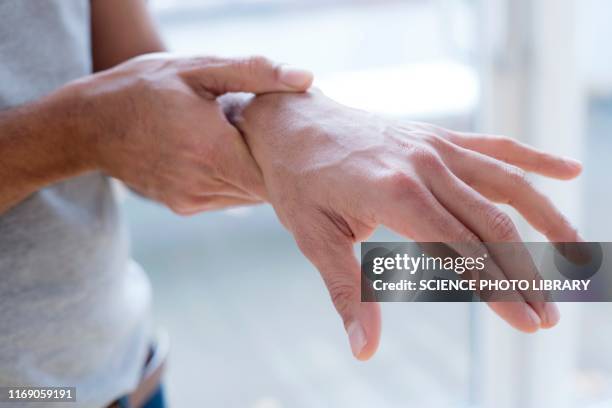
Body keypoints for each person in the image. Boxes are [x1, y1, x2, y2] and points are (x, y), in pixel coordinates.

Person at [0, 0, 584, 407]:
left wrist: (275, 118)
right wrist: (81, 132)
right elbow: (107, 117)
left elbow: (130, 70)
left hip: (129, 374)